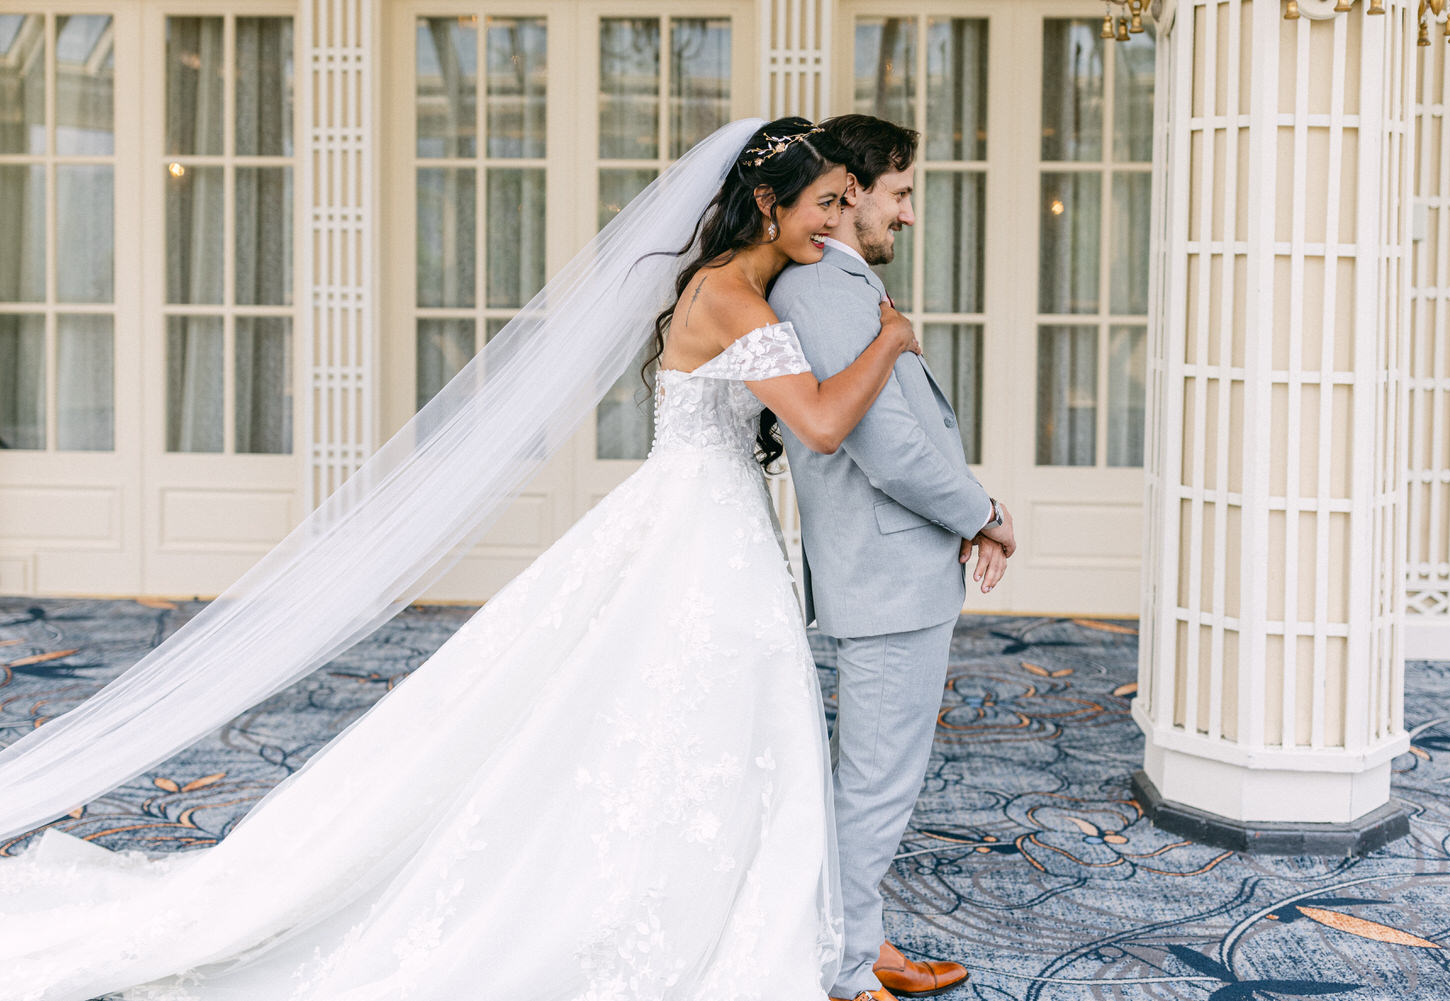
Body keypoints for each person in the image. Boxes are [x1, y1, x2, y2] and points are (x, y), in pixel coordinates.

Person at [0, 118, 920, 1001]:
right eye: (828, 205)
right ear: (769, 201)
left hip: (713, 521)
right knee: (680, 709)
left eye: (848, 204)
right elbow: (825, 424)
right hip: (700, 530)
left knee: (686, 717)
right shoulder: (728, 293)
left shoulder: (742, 286)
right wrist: (889, 338)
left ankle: (727, 906)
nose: (841, 223)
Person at [769, 114, 1018, 1001]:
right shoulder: (822, 293)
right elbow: (887, 448)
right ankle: (839, 969)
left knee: (880, 778)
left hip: (894, 571)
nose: (907, 215)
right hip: (883, 577)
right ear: (847, 195)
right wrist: (982, 510)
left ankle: (860, 940)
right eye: (899, 194)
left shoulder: (837, 283)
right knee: (873, 784)